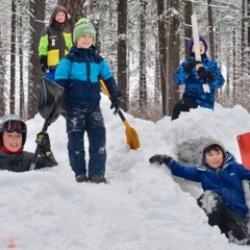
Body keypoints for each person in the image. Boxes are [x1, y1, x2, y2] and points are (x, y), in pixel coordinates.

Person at [55, 18, 122, 184]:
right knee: (75, 141)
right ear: (76, 39)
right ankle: (78, 173)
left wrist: (115, 95)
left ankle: (97, 173)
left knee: (99, 138)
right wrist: (63, 102)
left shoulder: (98, 60)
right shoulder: (68, 60)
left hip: (93, 107)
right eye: (83, 35)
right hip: (74, 108)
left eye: (89, 36)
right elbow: (59, 82)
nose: (86, 38)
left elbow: (108, 79)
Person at [149, 140, 250, 244]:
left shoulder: (235, 168)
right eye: (210, 155)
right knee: (210, 197)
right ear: (205, 159)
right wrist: (168, 160)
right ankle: (204, 232)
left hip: (235, 214)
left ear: (223, 154)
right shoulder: (202, 172)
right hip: (214, 211)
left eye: (218, 153)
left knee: (243, 241)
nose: (215, 157)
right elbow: (182, 171)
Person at [171, 36, 225, 120]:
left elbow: (220, 82)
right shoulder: (186, 64)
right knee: (178, 108)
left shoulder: (212, 65)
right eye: (196, 45)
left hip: (206, 103)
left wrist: (210, 76)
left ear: (205, 48)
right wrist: (186, 70)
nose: (199, 46)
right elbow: (177, 80)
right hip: (189, 101)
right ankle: (174, 131)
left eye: (201, 44)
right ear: (191, 49)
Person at [38, 5, 73, 81]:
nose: (60, 17)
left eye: (62, 15)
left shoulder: (67, 31)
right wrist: (43, 58)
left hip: (65, 64)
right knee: (53, 82)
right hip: (53, 64)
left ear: (65, 17)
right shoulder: (48, 30)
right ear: (54, 16)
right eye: (58, 15)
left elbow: (70, 47)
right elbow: (43, 45)